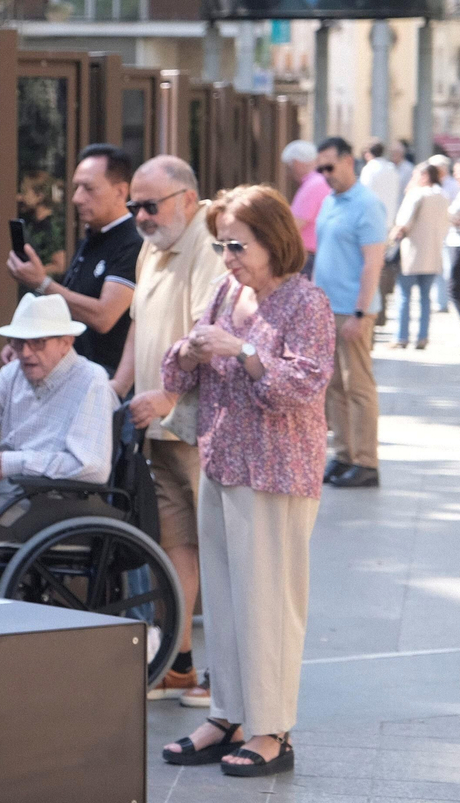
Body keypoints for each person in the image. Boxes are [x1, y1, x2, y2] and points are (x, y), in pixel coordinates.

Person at [159, 185, 334, 778]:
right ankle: (229, 713)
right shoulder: (225, 290)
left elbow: (302, 386)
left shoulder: (305, 303)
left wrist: (242, 351)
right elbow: (175, 370)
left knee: (269, 605)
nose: (227, 255)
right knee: (229, 603)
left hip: (279, 471)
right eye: (220, 243)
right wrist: (188, 352)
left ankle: (272, 728)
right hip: (221, 458)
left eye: (237, 243)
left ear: (273, 239)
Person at [109, 156, 228, 706]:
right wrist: (118, 386)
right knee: (176, 544)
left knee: (219, 548)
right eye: (133, 205)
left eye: (148, 205)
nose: (139, 215)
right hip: (158, 424)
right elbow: (139, 322)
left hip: (197, 425)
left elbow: (212, 332)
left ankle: (226, 680)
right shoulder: (154, 241)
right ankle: (179, 663)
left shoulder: (207, 241)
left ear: (187, 197)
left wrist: (172, 397)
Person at [0, 293, 115, 543]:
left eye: (38, 342)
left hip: (47, 504)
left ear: (66, 342)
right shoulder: (14, 373)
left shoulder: (91, 379)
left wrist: (12, 463)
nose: (26, 352)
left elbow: (91, 468)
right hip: (4, 494)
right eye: (18, 343)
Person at [8, 143, 141, 375]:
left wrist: (42, 283)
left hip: (105, 383)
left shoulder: (133, 242)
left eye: (88, 188)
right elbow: (66, 311)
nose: (77, 198)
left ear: (121, 191)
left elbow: (103, 316)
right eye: (76, 188)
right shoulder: (93, 236)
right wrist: (24, 341)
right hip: (72, 374)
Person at [315, 137, 387, 489]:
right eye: (321, 169)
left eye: (330, 166)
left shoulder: (367, 204)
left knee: (358, 386)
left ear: (348, 161)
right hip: (327, 309)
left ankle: (366, 461)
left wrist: (360, 313)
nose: (325, 174)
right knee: (334, 387)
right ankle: (343, 454)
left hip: (352, 310)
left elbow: (372, 264)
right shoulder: (330, 201)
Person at [391, 163, 450, 350]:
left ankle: (401, 337)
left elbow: (402, 224)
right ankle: (422, 336)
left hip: (412, 253)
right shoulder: (443, 195)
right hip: (433, 253)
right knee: (425, 298)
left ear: (424, 176)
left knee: (404, 296)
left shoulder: (416, 194)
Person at [360, 141, 401, 327]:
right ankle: (380, 314)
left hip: (370, 223)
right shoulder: (392, 169)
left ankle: (374, 314)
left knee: (370, 269)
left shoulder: (370, 170)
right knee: (381, 270)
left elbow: (362, 196)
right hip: (388, 222)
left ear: (368, 153)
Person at [282, 139, 331, 277]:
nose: (288, 171)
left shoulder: (313, 185)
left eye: (289, 166)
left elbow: (296, 224)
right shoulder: (319, 181)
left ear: (297, 163)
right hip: (314, 253)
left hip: (309, 255)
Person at [428, 154, 458, 313]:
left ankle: (444, 300)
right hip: (439, 231)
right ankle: (441, 300)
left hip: (450, 233)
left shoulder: (452, 186)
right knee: (439, 268)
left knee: (448, 270)